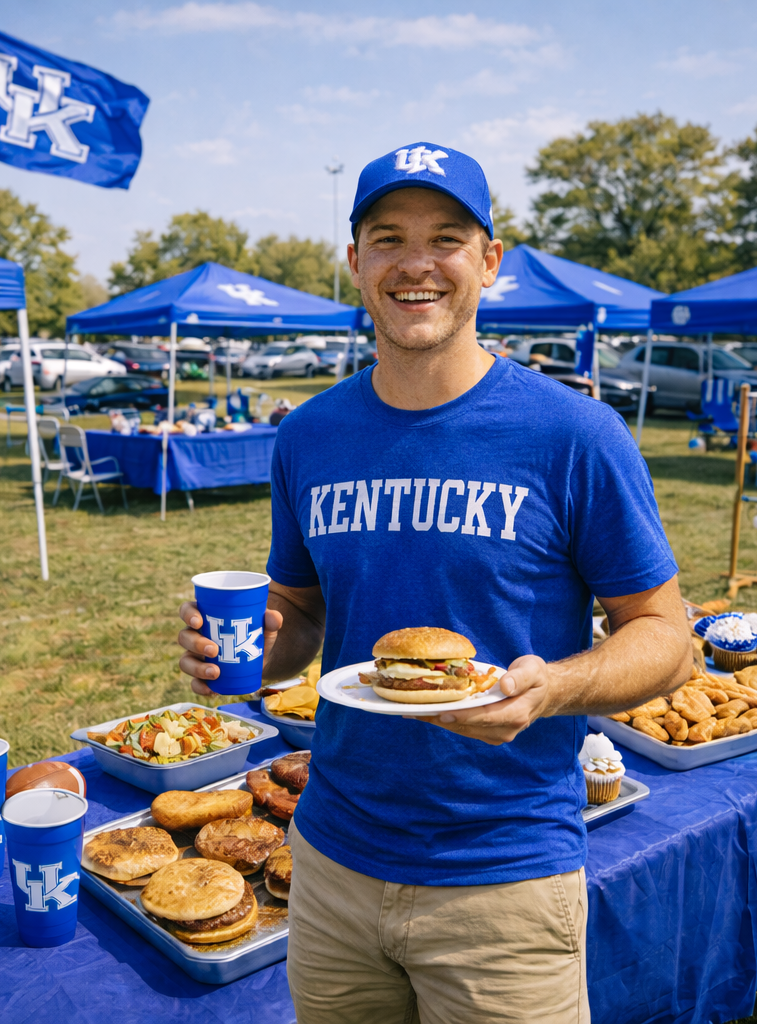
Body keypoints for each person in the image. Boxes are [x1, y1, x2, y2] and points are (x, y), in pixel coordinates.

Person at [176, 143, 693, 1024]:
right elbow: (301, 611)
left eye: (446, 238)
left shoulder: (575, 434)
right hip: (332, 865)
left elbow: (668, 640)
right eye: (388, 239)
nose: (416, 263)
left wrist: (554, 688)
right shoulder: (309, 436)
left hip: (504, 880)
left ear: (489, 262)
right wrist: (258, 645)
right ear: (356, 264)